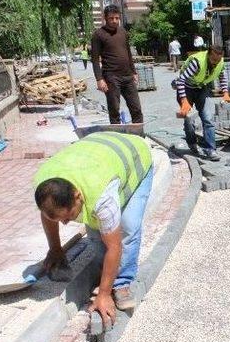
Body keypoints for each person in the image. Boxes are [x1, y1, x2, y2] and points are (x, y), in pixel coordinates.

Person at [33, 131, 153, 326]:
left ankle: (121, 283)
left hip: (135, 156)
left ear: (78, 196)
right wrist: (55, 249)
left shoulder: (101, 194)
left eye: (69, 216)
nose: (64, 223)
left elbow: (114, 246)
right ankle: (104, 274)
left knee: (128, 227)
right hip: (96, 153)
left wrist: (104, 295)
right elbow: (48, 215)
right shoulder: (45, 185)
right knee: (97, 235)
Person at [176, 45, 230, 162]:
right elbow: (180, 80)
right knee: (189, 120)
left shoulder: (220, 62)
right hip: (186, 88)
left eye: (218, 60)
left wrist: (226, 93)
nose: (215, 63)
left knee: (208, 119)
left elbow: (222, 76)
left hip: (202, 88)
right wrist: (184, 101)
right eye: (213, 60)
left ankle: (210, 149)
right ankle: (191, 142)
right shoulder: (197, 62)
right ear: (208, 55)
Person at [91, 5, 143, 124]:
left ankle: (139, 136)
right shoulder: (98, 35)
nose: (114, 21)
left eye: (117, 18)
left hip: (128, 76)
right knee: (114, 110)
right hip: (111, 77)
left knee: (136, 109)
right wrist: (99, 79)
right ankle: (118, 137)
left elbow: (128, 53)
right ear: (105, 18)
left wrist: (134, 72)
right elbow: (94, 59)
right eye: (111, 18)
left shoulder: (123, 32)